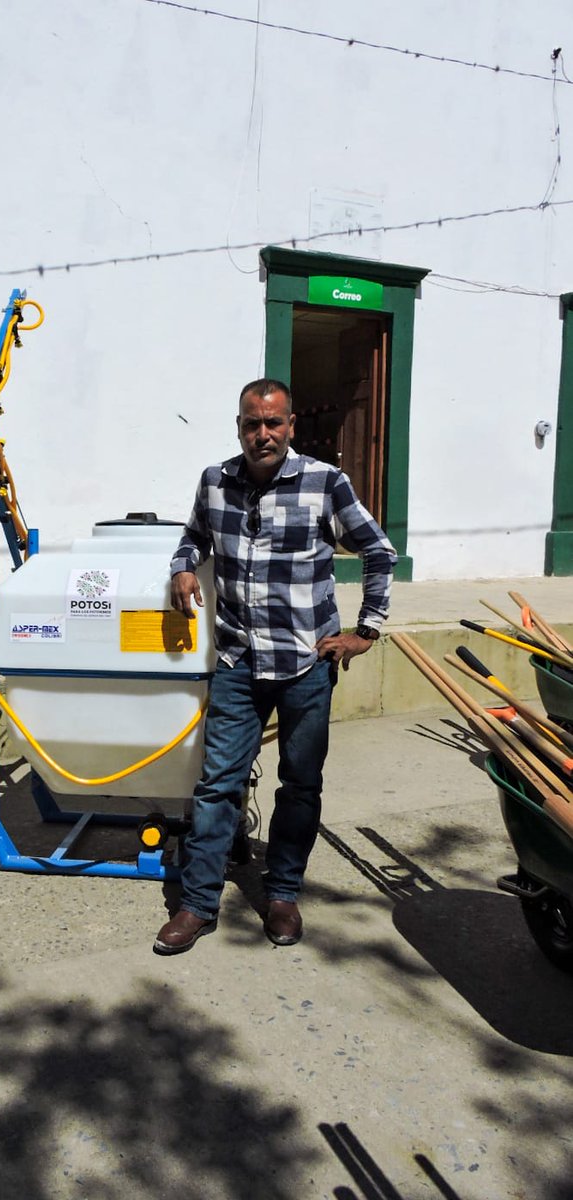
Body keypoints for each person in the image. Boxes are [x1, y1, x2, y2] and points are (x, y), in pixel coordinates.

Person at [154, 378, 396, 955]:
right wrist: (184, 566)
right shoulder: (216, 481)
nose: (262, 434)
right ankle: (197, 905)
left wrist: (366, 630)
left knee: (300, 784)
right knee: (216, 787)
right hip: (238, 659)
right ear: (239, 426)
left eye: (273, 423)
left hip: (305, 664)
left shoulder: (324, 483)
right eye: (251, 424)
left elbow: (378, 551)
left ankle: (283, 893)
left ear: (290, 426)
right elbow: (192, 538)